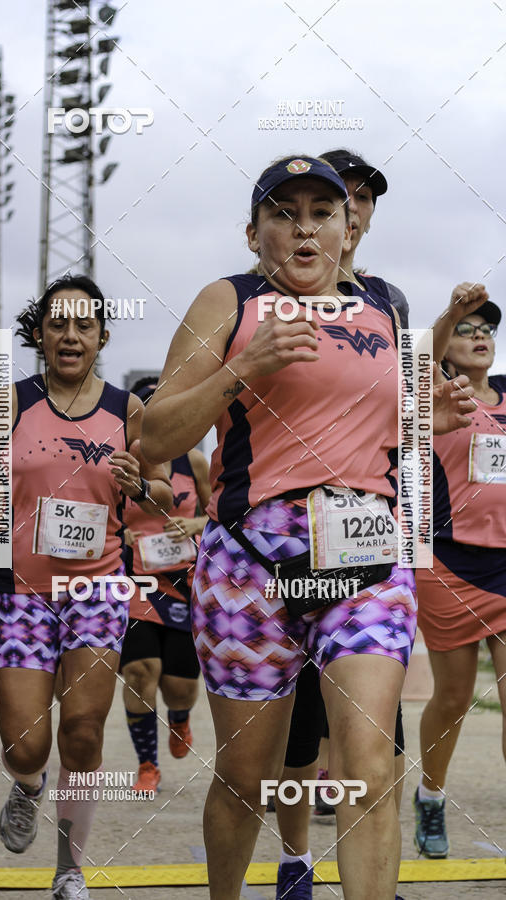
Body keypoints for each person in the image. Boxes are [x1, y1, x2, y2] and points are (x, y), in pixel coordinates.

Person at [141, 155, 476, 899]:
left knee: (369, 768)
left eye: (322, 213)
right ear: (253, 232)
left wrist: (427, 419)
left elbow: (386, 430)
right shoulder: (229, 300)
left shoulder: (383, 307)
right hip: (250, 565)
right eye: (283, 213)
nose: (304, 228)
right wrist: (243, 366)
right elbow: (156, 435)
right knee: (244, 778)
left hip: (365, 562)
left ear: (347, 229)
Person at [0, 274, 173, 900]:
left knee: (82, 730)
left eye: (84, 325)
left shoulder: (128, 410)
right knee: (26, 746)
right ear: (40, 335)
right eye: (58, 325)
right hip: (22, 590)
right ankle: (28, 784)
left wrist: (139, 486)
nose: (71, 336)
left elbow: (164, 492)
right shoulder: (11, 402)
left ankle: (68, 869)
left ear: (102, 335)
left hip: (97, 590)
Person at [271, 150, 410, 900]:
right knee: (294, 729)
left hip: (366, 546)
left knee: (374, 745)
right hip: (277, 549)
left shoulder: (389, 301)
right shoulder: (264, 295)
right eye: (340, 197)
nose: (352, 209)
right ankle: (294, 858)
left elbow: (404, 421)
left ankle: (375, 873)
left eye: (363, 199)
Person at [413, 283, 506, 859]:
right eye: (466, 330)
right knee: (453, 698)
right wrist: (450, 312)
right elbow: (413, 361)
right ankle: (430, 794)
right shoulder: (429, 394)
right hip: (449, 562)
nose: (479, 337)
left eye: (487, 329)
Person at [120, 376, 211, 795]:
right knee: (141, 671)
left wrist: (197, 524)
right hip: (135, 580)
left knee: (180, 687)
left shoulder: (194, 463)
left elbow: (221, 512)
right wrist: (118, 533)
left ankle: (179, 717)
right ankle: (147, 765)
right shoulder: (121, 462)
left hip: (183, 581)